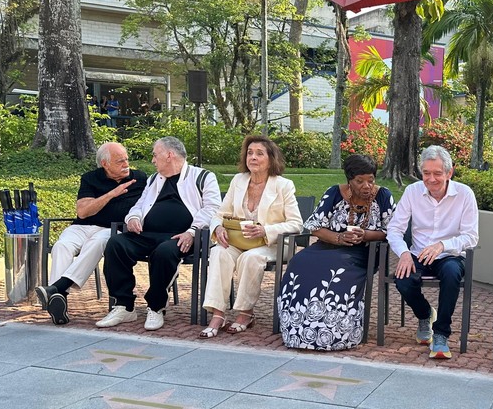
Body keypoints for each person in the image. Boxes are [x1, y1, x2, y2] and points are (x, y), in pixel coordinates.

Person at [97, 137, 221, 330]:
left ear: (169, 155)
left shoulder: (203, 176)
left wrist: (191, 232)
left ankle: (156, 306)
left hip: (185, 236)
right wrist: (133, 219)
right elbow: (139, 205)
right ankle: (124, 306)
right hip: (149, 234)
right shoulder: (155, 179)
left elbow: (213, 209)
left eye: (155, 155)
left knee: (164, 252)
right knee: (116, 244)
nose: (153, 160)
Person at [277, 154, 396, 350]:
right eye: (360, 181)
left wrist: (365, 235)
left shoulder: (383, 196)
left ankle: (337, 333)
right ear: (349, 180)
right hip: (328, 246)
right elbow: (314, 226)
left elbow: (391, 230)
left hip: (363, 252)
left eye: (370, 180)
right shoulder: (334, 193)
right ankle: (295, 330)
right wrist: (340, 238)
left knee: (337, 270)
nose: (366, 185)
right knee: (300, 262)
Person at [199, 136, 303, 338]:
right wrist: (218, 228)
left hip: (271, 243)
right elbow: (219, 214)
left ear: (271, 159)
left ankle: (245, 313)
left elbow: (296, 223)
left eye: (259, 153)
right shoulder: (238, 180)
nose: (253, 157)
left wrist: (266, 230)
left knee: (250, 257)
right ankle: (218, 314)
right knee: (219, 252)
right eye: (250, 153)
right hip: (239, 240)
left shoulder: (284, 186)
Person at [34, 143, 146, 325]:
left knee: (99, 242)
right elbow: (83, 212)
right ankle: (57, 298)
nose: (126, 164)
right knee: (61, 246)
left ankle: (56, 292)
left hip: (112, 229)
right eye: (120, 161)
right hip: (82, 227)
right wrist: (112, 194)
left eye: (126, 159)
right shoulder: (90, 178)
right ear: (105, 164)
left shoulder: (139, 179)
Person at [387, 145, 479, 359]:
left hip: (450, 255)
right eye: (426, 173)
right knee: (403, 279)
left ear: (449, 173)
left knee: (451, 274)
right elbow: (394, 229)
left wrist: (442, 245)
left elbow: (471, 237)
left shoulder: (464, 194)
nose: (431, 179)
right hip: (418, 253)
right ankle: (426, 314)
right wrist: (404, 253)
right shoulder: (412, 191)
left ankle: (440, 334)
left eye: (437, 173)